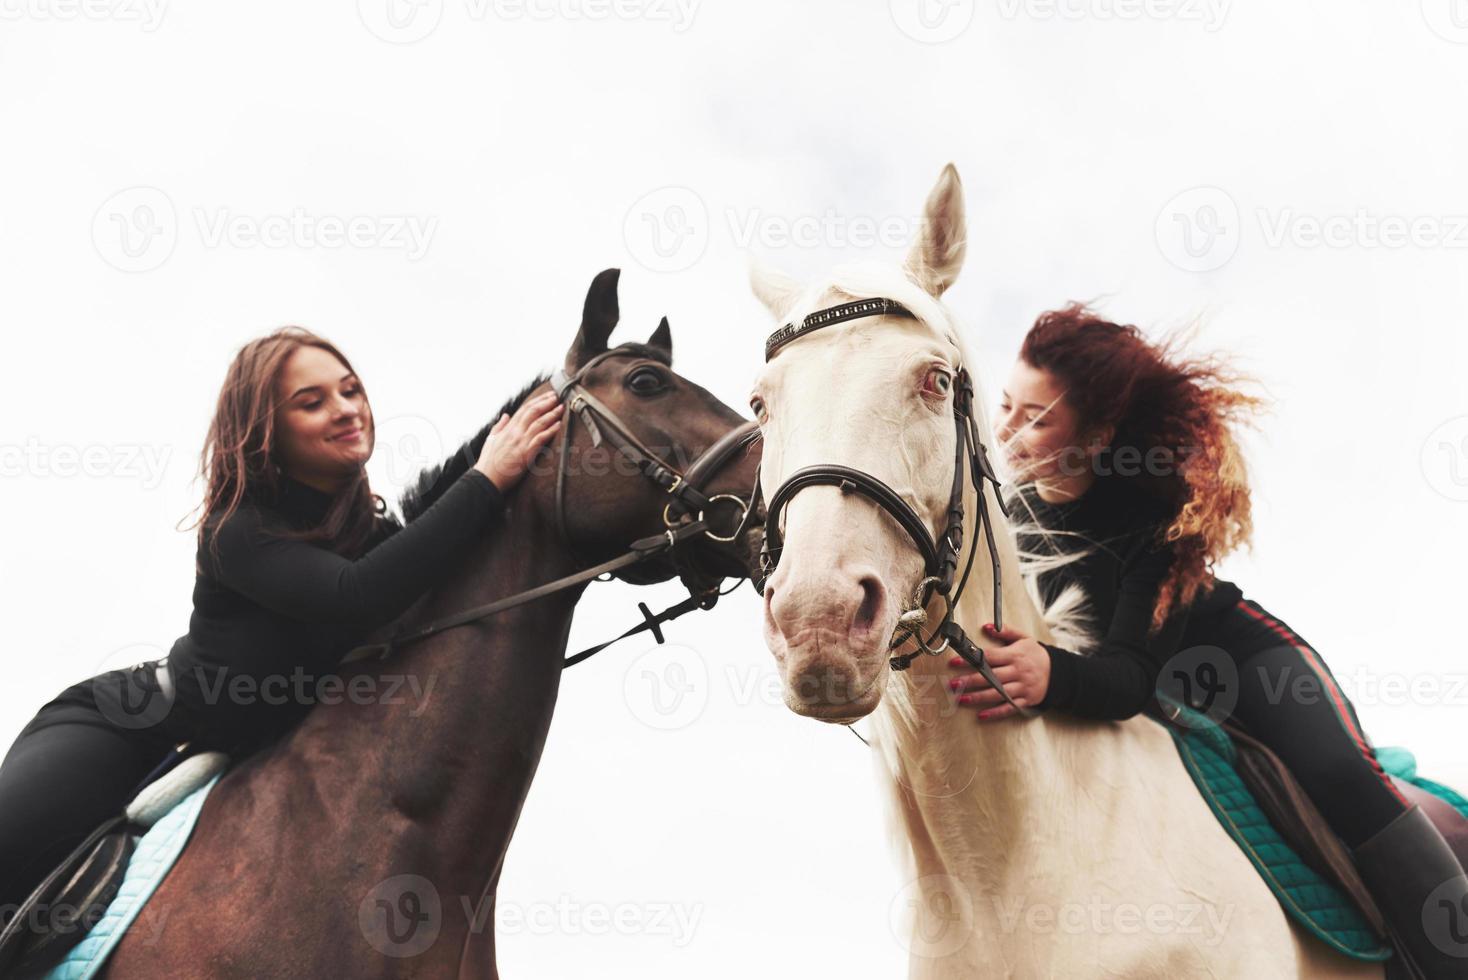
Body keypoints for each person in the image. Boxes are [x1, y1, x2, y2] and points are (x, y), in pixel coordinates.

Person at [947, 304, 1468, 977]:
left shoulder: (1147, 518)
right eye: (1008, 404)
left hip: (1247, 669)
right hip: (1150, 700)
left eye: (1037, 417)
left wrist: (1052, 674)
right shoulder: (1005, 516)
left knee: (1343, 778)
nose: (1008, 430)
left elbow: (1131, 673)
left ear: (1099, 435)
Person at [0, 326, 564, 924]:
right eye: (312, 401)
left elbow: (424, 540)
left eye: (350, 390)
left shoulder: (367, 536)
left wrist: (533, 414)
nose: (346, 410)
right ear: (268, 431)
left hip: (243, 746)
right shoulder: (237, 530)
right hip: (121, 730)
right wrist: (487, 478)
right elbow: (359, 595)